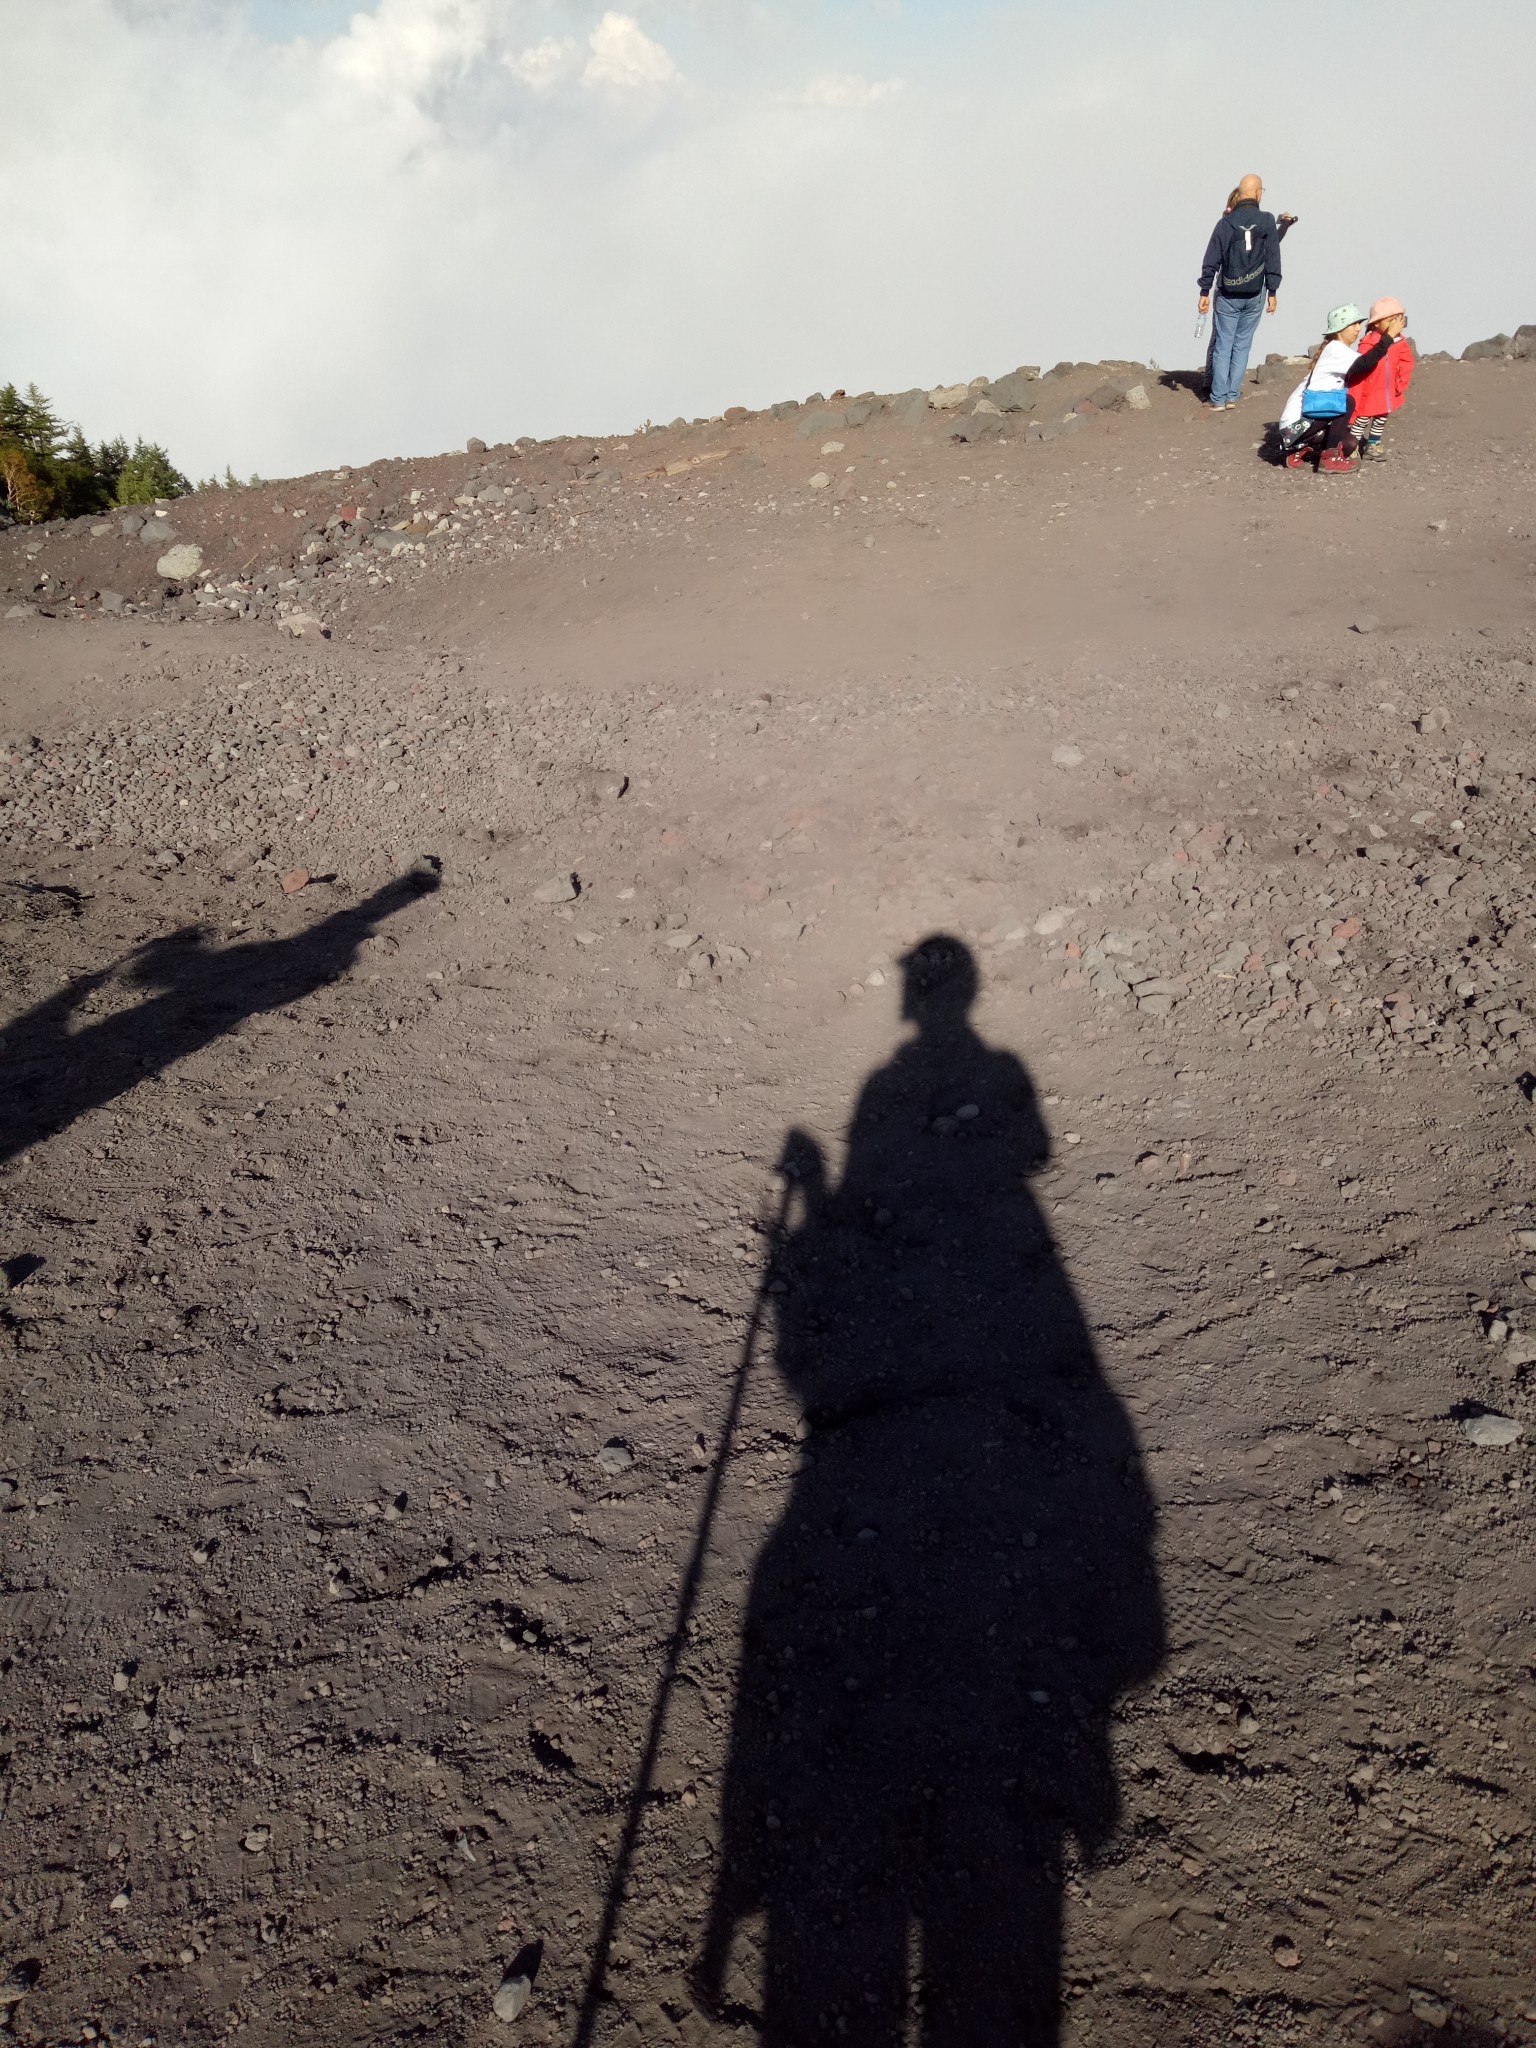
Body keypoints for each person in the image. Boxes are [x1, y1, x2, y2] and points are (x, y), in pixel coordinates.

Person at [697, 936, 1164, 2047]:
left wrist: (817, 1215)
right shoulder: (976, 1084)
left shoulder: (892, 1088)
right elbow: (1033, 1147)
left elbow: (813, 1336)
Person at [1198, 173, 1283, 410]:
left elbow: (1211, 259)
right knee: (1243, 344)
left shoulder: (1225, 223)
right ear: (1258, 193)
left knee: (1223, 344)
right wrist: (1273, 291)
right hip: (1256, 293)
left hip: (1228, 293)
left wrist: (1204, 291)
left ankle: (1218, 399)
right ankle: (1233, 395)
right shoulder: (1266, 222)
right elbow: (1273, 257)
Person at [1277, 304, 1387, 474]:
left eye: (1359, 324)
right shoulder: (1336, 348)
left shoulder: (1334, 349)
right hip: (1295, 428)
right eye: (1353, 324)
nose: (1358, 328)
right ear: (1339, 329)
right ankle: (1329, 459)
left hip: (1296, 430)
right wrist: (1389, 337)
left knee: (1349, 443)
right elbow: (1365, 363)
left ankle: (1299, 451)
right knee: (1346, 401)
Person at [1345, 297, 1414, 461]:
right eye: (1390, 321)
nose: (1395, 325)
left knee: (1381, 417)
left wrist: (1401, 383)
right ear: (1377, 323)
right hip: (1370, 388)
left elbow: (1407, 362)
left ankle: (1373, 444)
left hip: (1387, 388)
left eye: (1398, 320)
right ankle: (1352, 445)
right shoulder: (1369, 342)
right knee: (1362, 418)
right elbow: (1361, 364)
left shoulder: (1399, 342)